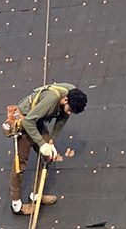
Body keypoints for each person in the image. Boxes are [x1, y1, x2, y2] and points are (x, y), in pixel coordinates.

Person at [7, 83, 87, 215]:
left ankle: (36, 195)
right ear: (65, 100)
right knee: (20, 164)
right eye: (70, 110)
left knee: (48, 157)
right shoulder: (51, 100)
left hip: (36, 120)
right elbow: (28, 122)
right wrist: (42, 144)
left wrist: (50, 142)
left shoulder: (72, 93)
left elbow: (62, 120)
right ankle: (16, 205)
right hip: (25, 119)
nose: (70, 113)